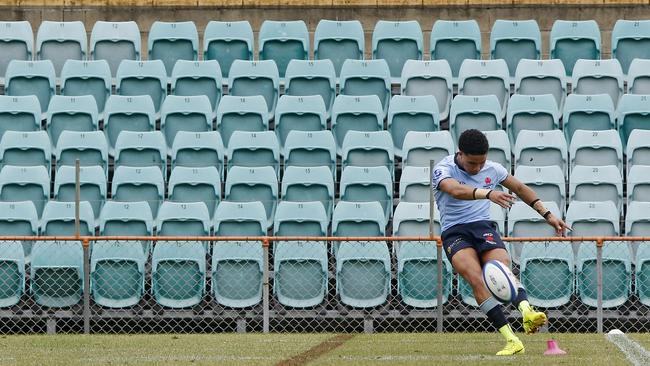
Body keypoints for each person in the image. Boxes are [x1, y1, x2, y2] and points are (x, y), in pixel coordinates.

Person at [433, 129, 570, 356]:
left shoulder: (493, 169)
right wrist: (488, 194)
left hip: (482, 227)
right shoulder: (443, 168)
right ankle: (511, 339)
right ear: (460, 154)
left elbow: (519, 188)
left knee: (502, 267)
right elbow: (454, 190)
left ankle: (527, 313)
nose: (477, 168)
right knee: (477, 279)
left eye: (481, 163)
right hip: (454, 232)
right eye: (471, 163)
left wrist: (548, 215)